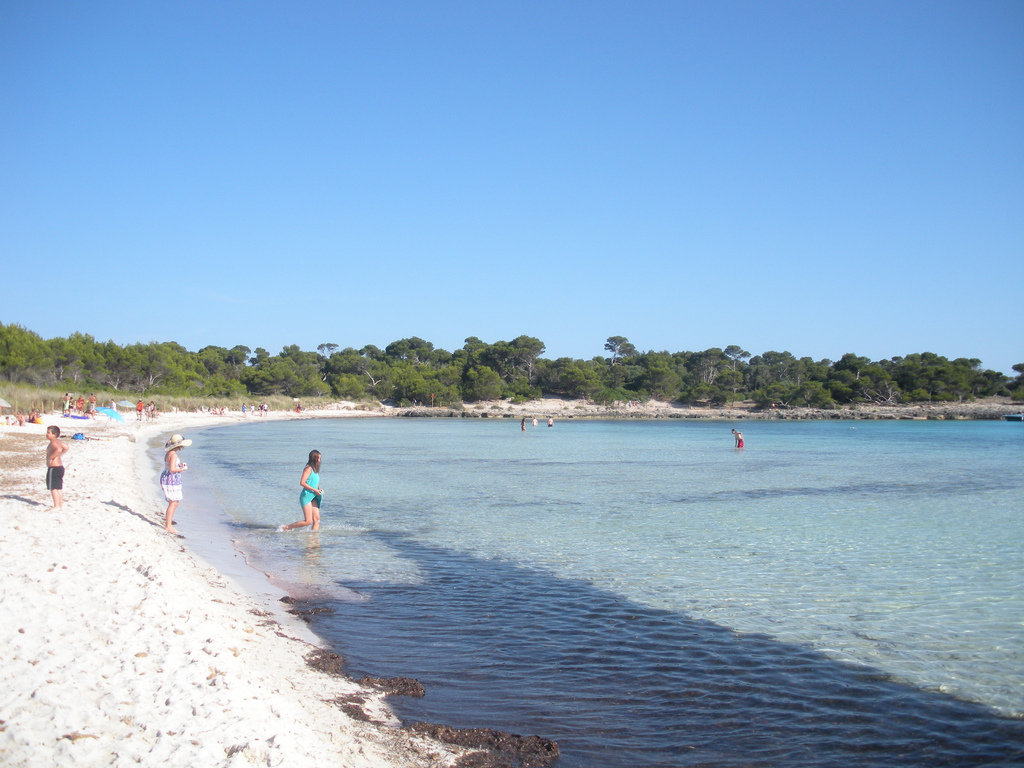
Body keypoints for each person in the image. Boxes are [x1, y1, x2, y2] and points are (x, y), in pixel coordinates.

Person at [278, 450, 323, 532]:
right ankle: (286, 528)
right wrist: (314, 490)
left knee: (316, 520)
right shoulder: (308, 469)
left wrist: (319, 489)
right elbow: (302, 482)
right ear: (314, 458)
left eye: (320, 458)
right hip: (306, 496)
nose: (320, 460)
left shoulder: (315, 470)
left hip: (314, 495)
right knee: (308, 521)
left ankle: (314, 539)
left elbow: (315, 483)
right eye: (318, 458)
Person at [161, 433, 192, 534]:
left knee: (173, 502)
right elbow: (172, 468)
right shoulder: (173, 454)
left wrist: (178, 465)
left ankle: (168, 525)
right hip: (171, 479)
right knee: (174, 502)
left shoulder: (169, 453)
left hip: (167, 477)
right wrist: (182, 469)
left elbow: (170, 465)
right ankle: (168, 526)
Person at [45, 425, 69, 511]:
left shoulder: (53, 442)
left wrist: (50, 458)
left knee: (53, 488)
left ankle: (56, 506)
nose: (46, 434)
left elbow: (58, 450)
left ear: (54, 434)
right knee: (58, 488)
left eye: (48, 432)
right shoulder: (58, 441)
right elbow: (66, 447)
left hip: (54, 468)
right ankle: (60, 505)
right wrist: (60, 454)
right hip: (60, 468)